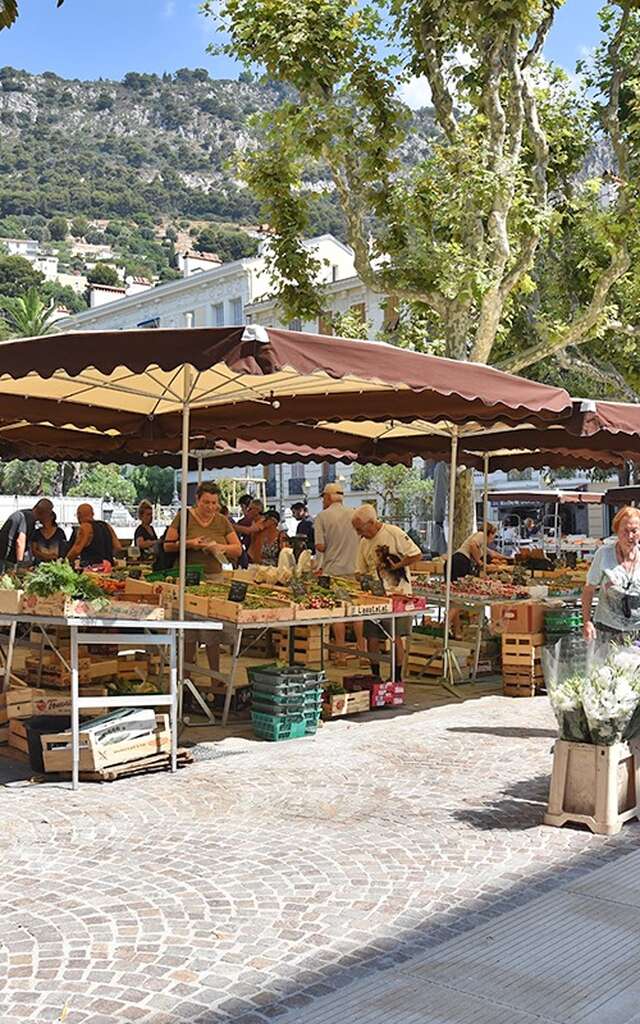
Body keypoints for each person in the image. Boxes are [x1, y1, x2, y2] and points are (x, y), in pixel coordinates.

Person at [163, 482, 242, 672]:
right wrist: (191, 543)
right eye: (206, 502)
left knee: (213, 630)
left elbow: (237, 549)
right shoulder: (184, 517)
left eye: (214, 503)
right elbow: (168, 544)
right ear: (197, 500)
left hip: (214, 579)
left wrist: (219, 547)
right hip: (189, 579)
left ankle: (215, 675)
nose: (210, 507)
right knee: (188, 629)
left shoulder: (222, 521)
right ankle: (186, 675)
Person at [352, 504, 422, 680]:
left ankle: (397, 677)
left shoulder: (394, 532)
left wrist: (397, 565)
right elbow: (359, 570)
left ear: (372, 523)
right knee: (372, 636)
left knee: (395, 636)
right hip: (375, 596)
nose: (359, 533)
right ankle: (375, 676)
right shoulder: (363, 543)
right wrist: (363, 579)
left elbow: (416, 554)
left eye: (360, 529)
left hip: (398, 594)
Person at [314, 482, 364, 663]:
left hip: (333, 571)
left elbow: (320, 546)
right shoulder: (354, 514)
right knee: (357, 610)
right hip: (354, 569)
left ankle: (341, 654)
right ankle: (362, 650)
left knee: (339, 612)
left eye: (323, 498)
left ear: (328, 497)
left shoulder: (322, 517)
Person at [582, 505, 640, 642]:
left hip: (637, 632)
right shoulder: (604, 554)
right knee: (608, 664)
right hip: (607, 630)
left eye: (634, 531)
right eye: (625, 531)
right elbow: (588, 590)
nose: (630, 536)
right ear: (617, 531)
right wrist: (587, 621)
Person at [0, 498, 54, 568]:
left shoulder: (26, 514)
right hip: (5, 559)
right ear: (44, 514)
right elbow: (20, 541)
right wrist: (19, 566)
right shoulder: (28, 518)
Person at [235, 499, 279, 564]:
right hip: (252, 557)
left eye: (250, 509)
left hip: (262, 559)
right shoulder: (253, 522)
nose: (247, 511)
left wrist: (230, 526)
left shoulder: (263, 521)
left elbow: (249, 530)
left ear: (257, 510)